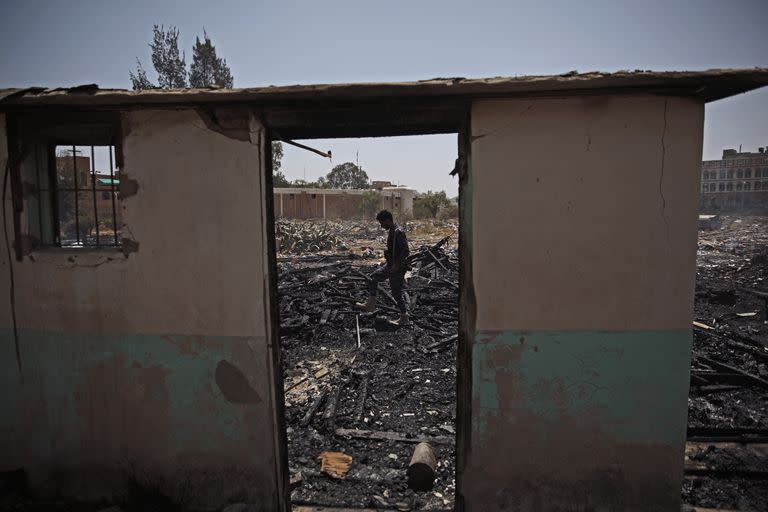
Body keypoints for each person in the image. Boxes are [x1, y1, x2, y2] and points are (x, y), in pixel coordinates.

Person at [356, 209, 410, 325]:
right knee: (373, 278)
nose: (381, 226)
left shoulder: (398, 232)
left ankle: (404, 316)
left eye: (382, 223)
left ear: (388, 220)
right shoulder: (392, 231)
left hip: (397, 267)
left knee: (396, 293)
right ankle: (370, 304)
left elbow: (406, 251)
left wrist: (396, 264)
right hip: (390, 265)